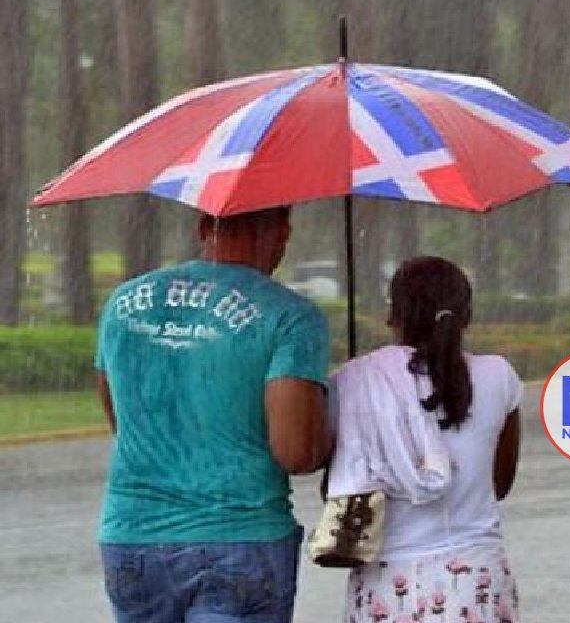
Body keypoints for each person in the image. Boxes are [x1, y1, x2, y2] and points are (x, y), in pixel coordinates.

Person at [95, 207, 332, 623]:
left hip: (131, 539)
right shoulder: (291, 318)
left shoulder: (123, 305)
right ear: (282, 232)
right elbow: (296, 453)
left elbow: (122, 420)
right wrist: (328, 433)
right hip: (239, 540)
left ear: (204, 226)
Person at [329, 256, 523, 623]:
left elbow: (338, 482)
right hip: (475, 581)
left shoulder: (355, 382)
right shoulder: (499, 376)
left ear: (393, 316)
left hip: (386, 580)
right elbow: (499, 483)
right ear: (466, 317)